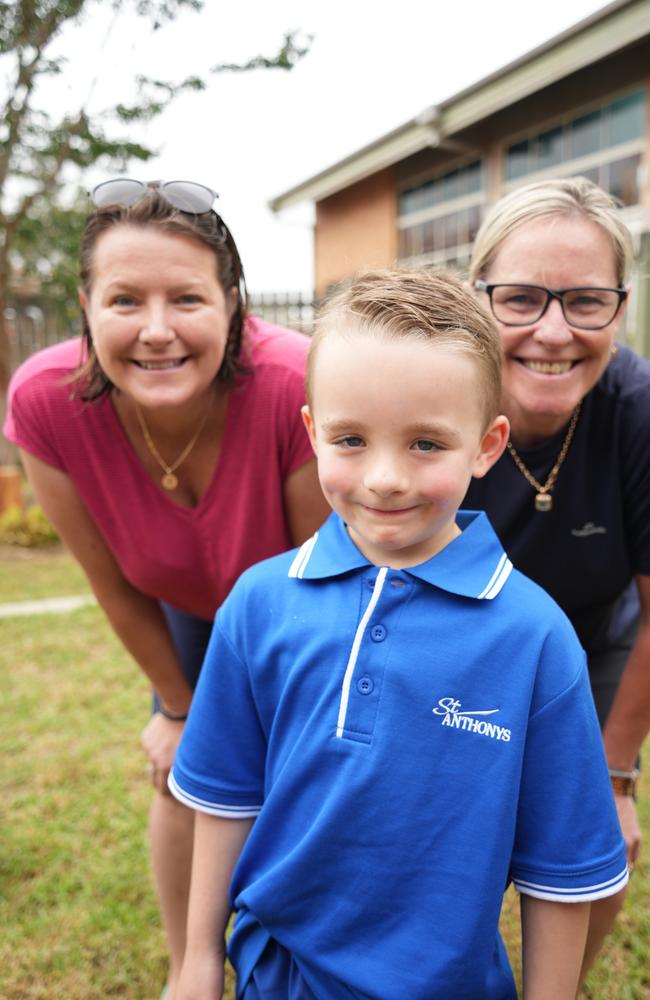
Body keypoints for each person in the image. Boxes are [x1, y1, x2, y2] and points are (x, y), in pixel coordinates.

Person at [169, 268, 627, 1000]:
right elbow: (226, 798)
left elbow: (562, 869)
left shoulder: (535, 640)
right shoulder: (257, 606)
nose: (384, 479)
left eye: (425, 445)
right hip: (274, 978)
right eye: (351, 439)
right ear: (313, 432)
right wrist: (196, 961)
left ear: (485, 446)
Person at [3, 178, 330, 997]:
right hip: (188, 612)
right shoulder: (45, 403)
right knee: (184, 773)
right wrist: (179, 707)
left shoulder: (294, 386)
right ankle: (191, 966)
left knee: (304, 779)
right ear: (85, 306)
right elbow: (112, 582)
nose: (155, 331)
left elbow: (323, 588)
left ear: (231, 304)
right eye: (123, 300)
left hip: (307, 609)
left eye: (185, 298)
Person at [466, 176, 650, 976]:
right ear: (477, 297)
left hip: (590, 641)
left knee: (593, 843)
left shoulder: (638, 409)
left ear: (621, 304)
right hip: (456, 637)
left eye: (584, 301)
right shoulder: (434, 391)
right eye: (521, 299)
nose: (552, 331)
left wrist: (614, 772)